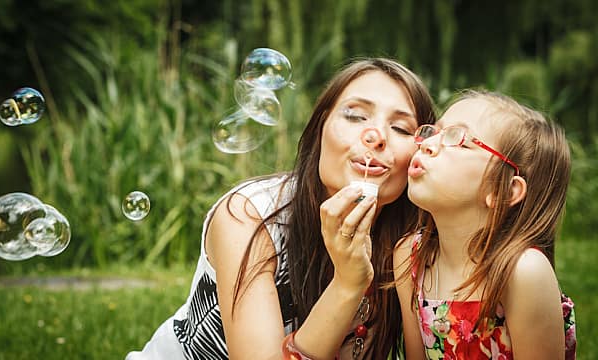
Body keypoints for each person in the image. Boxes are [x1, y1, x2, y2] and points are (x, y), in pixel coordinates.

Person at [126, 57, 436, 360]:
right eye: (355, 116)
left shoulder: (406, 248)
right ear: (320, 128)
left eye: (401, 128)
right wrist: (348, 282)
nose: (376, 136)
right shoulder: (250, 215)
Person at [393, 90, 577, 359]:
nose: (427, 144)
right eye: (434, 132)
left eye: (459, 139)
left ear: (504, 191)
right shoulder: (409, 256)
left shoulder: (523, 272)